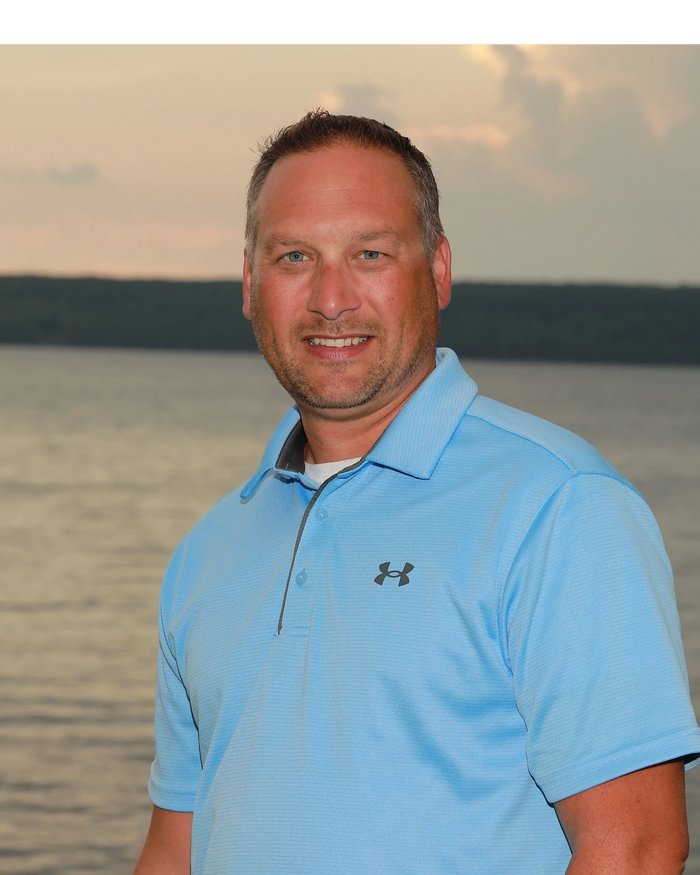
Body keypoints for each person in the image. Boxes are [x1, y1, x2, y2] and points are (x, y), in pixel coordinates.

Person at [134, 111, 700, 875]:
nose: (331, 298)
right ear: (249, 283)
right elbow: (176, 849)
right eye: (294, 255)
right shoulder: (209, 551)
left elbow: (634, 849)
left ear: (436, 269)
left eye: (370, 252)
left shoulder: (558, 506)